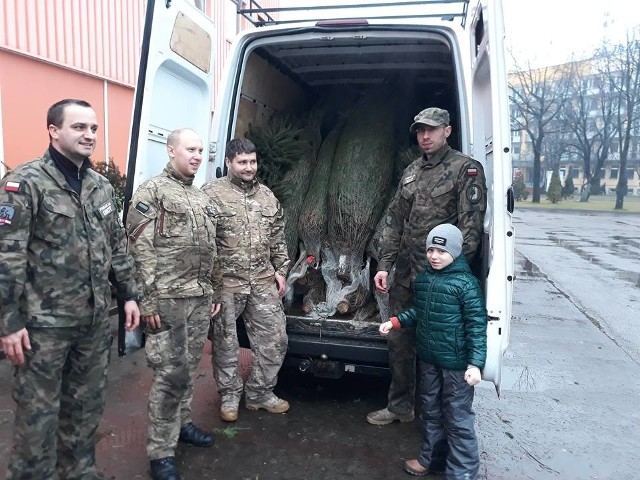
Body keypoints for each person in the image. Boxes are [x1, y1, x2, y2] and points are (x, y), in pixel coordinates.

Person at [0, 98, 140, 480]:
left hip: (93, 322)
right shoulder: (23, 183)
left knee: (85, 407)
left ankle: (79, 472)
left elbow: (116, 245)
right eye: (79, 127)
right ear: (53, 131)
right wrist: (8, 323)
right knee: (38, 417)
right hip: (44, 327)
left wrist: (129, 294)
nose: (89, 135)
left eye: (93, 128)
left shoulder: (100, 186)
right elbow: (6, 256)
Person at [368, 107, 487, 433]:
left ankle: (448, 419)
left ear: (447, 131)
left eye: (432, 129)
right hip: (406, 277)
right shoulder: (411, 172)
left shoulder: (466, 170)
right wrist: (385, 264)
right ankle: (401, 406)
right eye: (420, 129)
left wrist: (453, 278)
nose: (425, 135)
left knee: (443, 349)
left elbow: (471, 232)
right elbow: (394, 223)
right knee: (399, 343)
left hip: (441, 281)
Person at [126, 128, 222, 480]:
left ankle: (183, 424)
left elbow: (212, 251)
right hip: (166, 300)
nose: (197, 156)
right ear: (170, 151)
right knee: (169, 374)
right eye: (190, 149)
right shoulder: (152, 192)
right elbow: (140, 249)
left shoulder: (199, 198)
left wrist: (211, 289)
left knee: (189, 368)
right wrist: (147, 300)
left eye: (200, 150)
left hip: (197, 299)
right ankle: (161, 452)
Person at [379, 224, 486, 479]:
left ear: (456, 252)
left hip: (456, 365)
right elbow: (419, 311)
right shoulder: (425, 279)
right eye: (431, 250)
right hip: (429, 360)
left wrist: (475, 364)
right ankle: (431, 459)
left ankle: (462, 473)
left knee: (458, 418)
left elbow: (477, 325)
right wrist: (395, 322)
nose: (434, 256)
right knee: (430, 411)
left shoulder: (466, 284)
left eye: (441, 251)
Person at [202, 138, 290, 423]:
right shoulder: (211, 195)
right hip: (227, 283)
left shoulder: (267, 196)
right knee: (226, 344)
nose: (249, 167)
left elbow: (278, 236)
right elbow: (204, 243)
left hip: (263, 281)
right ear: (228, 163)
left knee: (275, 339)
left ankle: (260, 393)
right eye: (242, 162)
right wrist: (209, 285)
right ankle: (229, 396)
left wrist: (281, 269)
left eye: (252, 161)